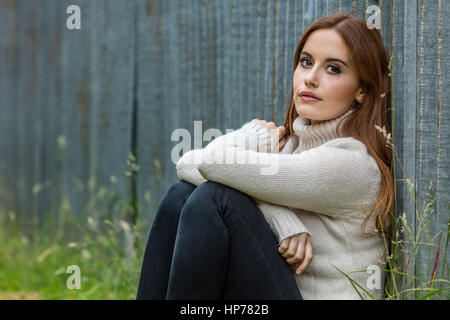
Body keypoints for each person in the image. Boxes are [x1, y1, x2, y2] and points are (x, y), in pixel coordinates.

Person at [136, 12, 394, 300]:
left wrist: (254, 135)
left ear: (361, 89)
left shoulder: (351, 164)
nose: (310, 78)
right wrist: (282, 218)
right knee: (181, 195)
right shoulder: (290, 148)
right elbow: (187, 163)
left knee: (216, 198)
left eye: (333, 69)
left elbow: (211, 162)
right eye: (306, 62)